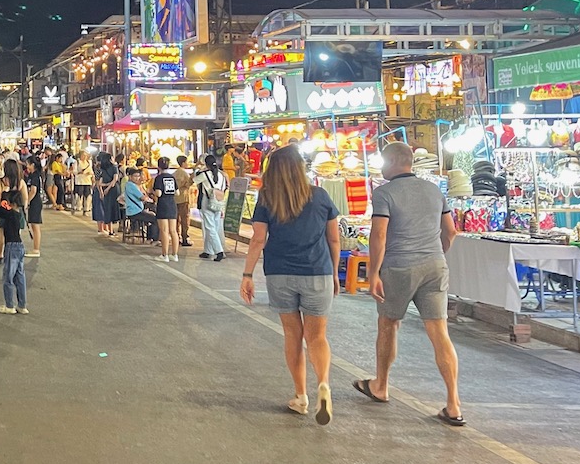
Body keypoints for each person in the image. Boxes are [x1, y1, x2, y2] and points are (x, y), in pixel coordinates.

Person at [355, 142, 465, 426]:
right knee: (439, 332)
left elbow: (379, 235)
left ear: (392, 161)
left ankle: (380, 385)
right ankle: (453, 403)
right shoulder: (433, 190)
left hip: (399, 266)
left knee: (388, 324)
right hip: (435, 266)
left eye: (382, 161)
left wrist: (374, 273)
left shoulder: (384, 193)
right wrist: (435, 252)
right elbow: (450, 231)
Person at [238, 145, 340, 424]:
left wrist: (247, 275)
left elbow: (258, 239)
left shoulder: (267, 198)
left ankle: (301, 397)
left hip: (280, 273)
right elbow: (333, 239)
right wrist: (333, 274)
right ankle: (324, 385)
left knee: (293, 335)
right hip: (317, 272)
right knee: (317, 337)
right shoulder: (320, 196)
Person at [0, 158, 29, 314]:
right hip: (20, 244)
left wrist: (3, 201)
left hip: (11, 246)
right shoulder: (21, 183)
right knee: (19, 275)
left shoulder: (1, 184)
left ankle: (9, 305)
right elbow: (25, 200)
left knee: (8, 276)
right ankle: (22, 305)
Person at [196, 154, 229, 262]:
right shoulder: (222, 175)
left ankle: (219, 251)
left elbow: (193, 180)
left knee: (209, 227)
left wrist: (198, 168)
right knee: (214, 225)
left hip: (208, 201)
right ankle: (208, 250)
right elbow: (225, 188)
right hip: (219, 201)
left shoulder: (204, 174)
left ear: (206, 164)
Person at [151, 157, 181, 262]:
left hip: (163, 205)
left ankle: (165, 255)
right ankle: (175, 254)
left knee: (164, 230)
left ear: (158, 166)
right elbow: (177, 193)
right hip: (172, 204)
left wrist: (153, 191)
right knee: (173, 231)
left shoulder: (159, 178)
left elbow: (158, 193)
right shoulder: (172, 177)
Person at [122, 168, 156, 240]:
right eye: (135, 176)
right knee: (154, 219)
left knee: (152, 215)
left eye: (138, 176)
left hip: (136, 210)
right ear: (130, 176)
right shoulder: (131, 186)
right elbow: (143, 197)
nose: (137, 178)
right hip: (135, 212)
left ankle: (150, 237)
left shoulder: (131, 185)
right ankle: (154, 238)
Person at [22, 154, 45, 258]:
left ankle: (36, 249)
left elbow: (33, 190)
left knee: (35, 226)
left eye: (28, 164)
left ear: (33, 165)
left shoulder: (35, 175)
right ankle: (35, 248)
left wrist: (27, 201)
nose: (27, 166)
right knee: (33, 225)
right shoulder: (33, 174)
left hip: (35, 202)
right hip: (34, 202)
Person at [93, 152, 118, 234]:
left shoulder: (100, 168)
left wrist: (104, 188)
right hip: (107, 190)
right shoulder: (111, 167)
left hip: (103, 189)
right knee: (104, 209)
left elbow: (99, 182)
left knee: (104, 209)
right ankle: (105, 229)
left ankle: (105, 228)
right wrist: (104, 190)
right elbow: (99, 182)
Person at [174, 155, 194, 247]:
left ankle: (176, 237)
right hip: (183, 198)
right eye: (186, 162)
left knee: (176, 219)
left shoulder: (174, 173)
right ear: (183, 163)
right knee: (184, 219)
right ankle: (185, 237)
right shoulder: (185, 174)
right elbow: (188, 184)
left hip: (175, 198)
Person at [73, 150, 94, 216]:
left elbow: (91, 171)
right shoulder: (77, 162)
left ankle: (86, 209)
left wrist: (90, 174)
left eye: (86, 155)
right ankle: (77, 207)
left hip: (87, 181)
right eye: (83, 155)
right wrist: (79, 173)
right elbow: (74, 171)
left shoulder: (89, 163)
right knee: (79, 195)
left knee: (87, 195)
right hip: (79, 181)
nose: (85, 157)